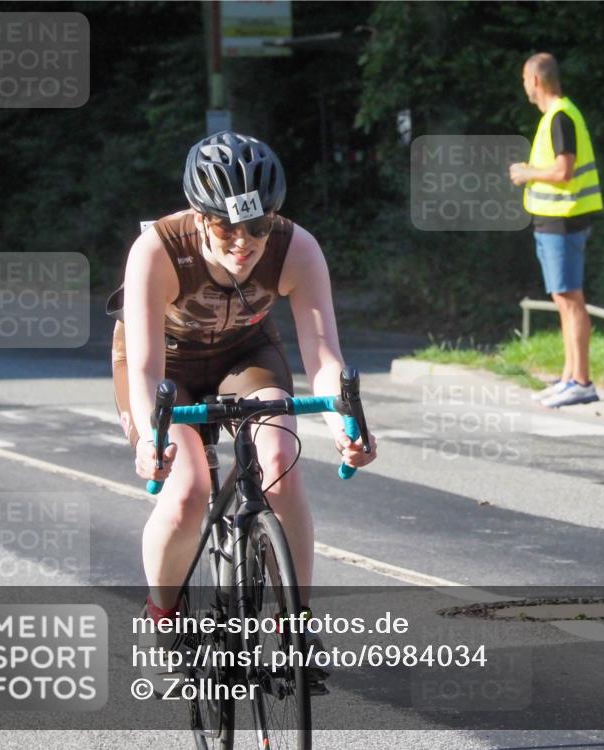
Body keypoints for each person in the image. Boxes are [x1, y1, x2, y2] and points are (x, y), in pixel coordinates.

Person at [109, 130, 376, 689]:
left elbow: (324, 355)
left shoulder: (295, 247)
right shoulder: (158, 250)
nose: (243, 243)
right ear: (200, 216)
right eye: (227, 228)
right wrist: (148, 442)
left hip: (244, 354)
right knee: (186, 493)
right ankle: (163, 619)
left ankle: (293, 627)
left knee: (280, 461)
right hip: (168, 368)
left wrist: (343, 424)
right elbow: (145, 369)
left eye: (257, 227)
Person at [509, 52, 603, 408]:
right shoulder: (557, 115)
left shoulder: (561, 116)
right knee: (564, 300)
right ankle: (569, 378)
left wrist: (526, 173)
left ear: (535, 80)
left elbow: (564, 171)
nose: (523, 86)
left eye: (524, 79)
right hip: (555, 219)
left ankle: (581, 381)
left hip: (563, 219)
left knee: (570, 300)